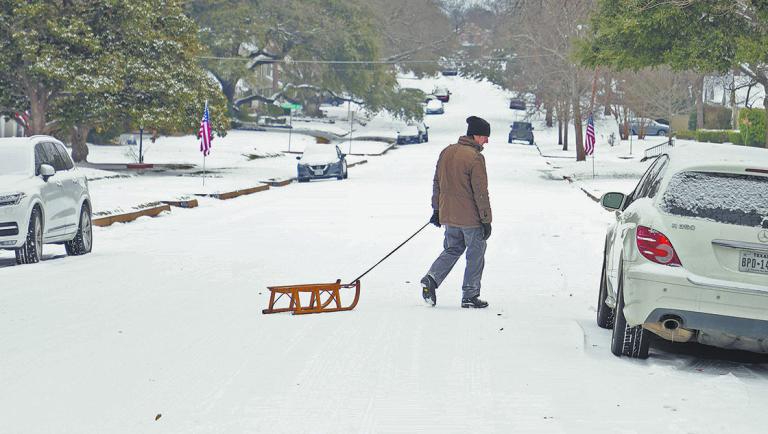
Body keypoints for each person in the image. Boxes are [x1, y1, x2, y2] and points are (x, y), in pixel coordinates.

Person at [421, 116, 492, 309]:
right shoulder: (475, 158)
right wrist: (486, 220)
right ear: (476, 135)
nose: (487, 141)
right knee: (476, 253)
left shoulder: (446, 152)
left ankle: (431, 278)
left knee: (453, 248)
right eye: (485, 136)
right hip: (471, 218)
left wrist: (437, 210)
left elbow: (437, 183)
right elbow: (480, 192)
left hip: (449, 215)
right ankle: (470, 295)